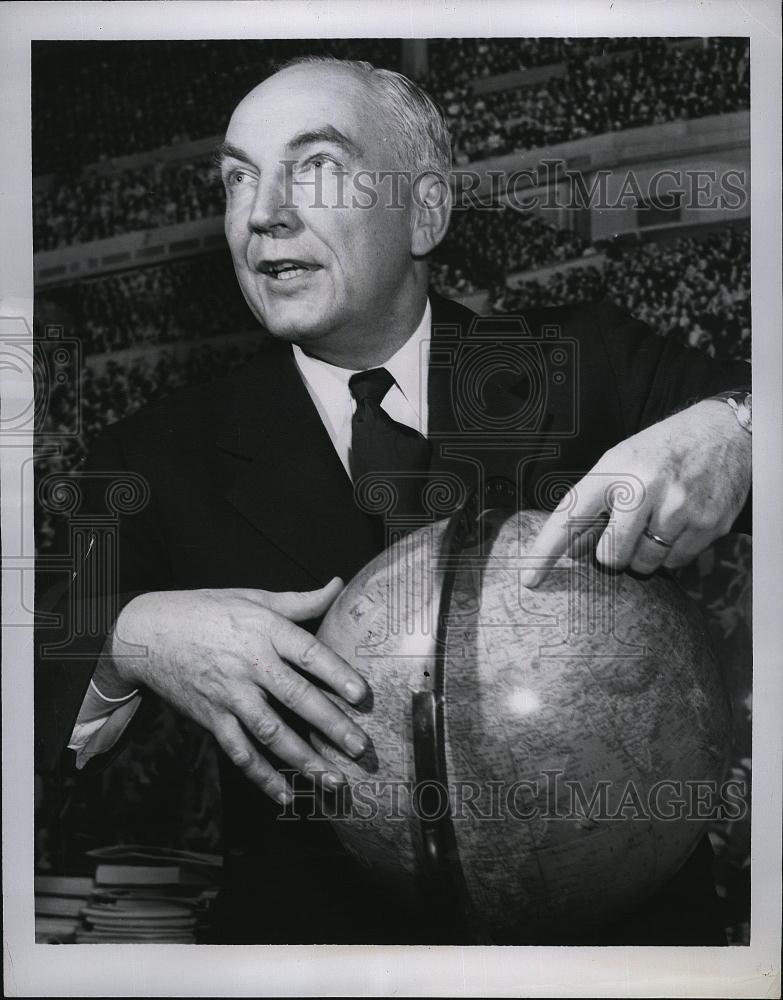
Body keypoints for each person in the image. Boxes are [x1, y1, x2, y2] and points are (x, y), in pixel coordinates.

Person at [35, 56, 751, 945]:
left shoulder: (585, 363)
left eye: (319, 166)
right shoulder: (149, 453)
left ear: (425, 209)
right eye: (236, 178)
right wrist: (128, 638)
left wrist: (738, 429)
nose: (262, 213)